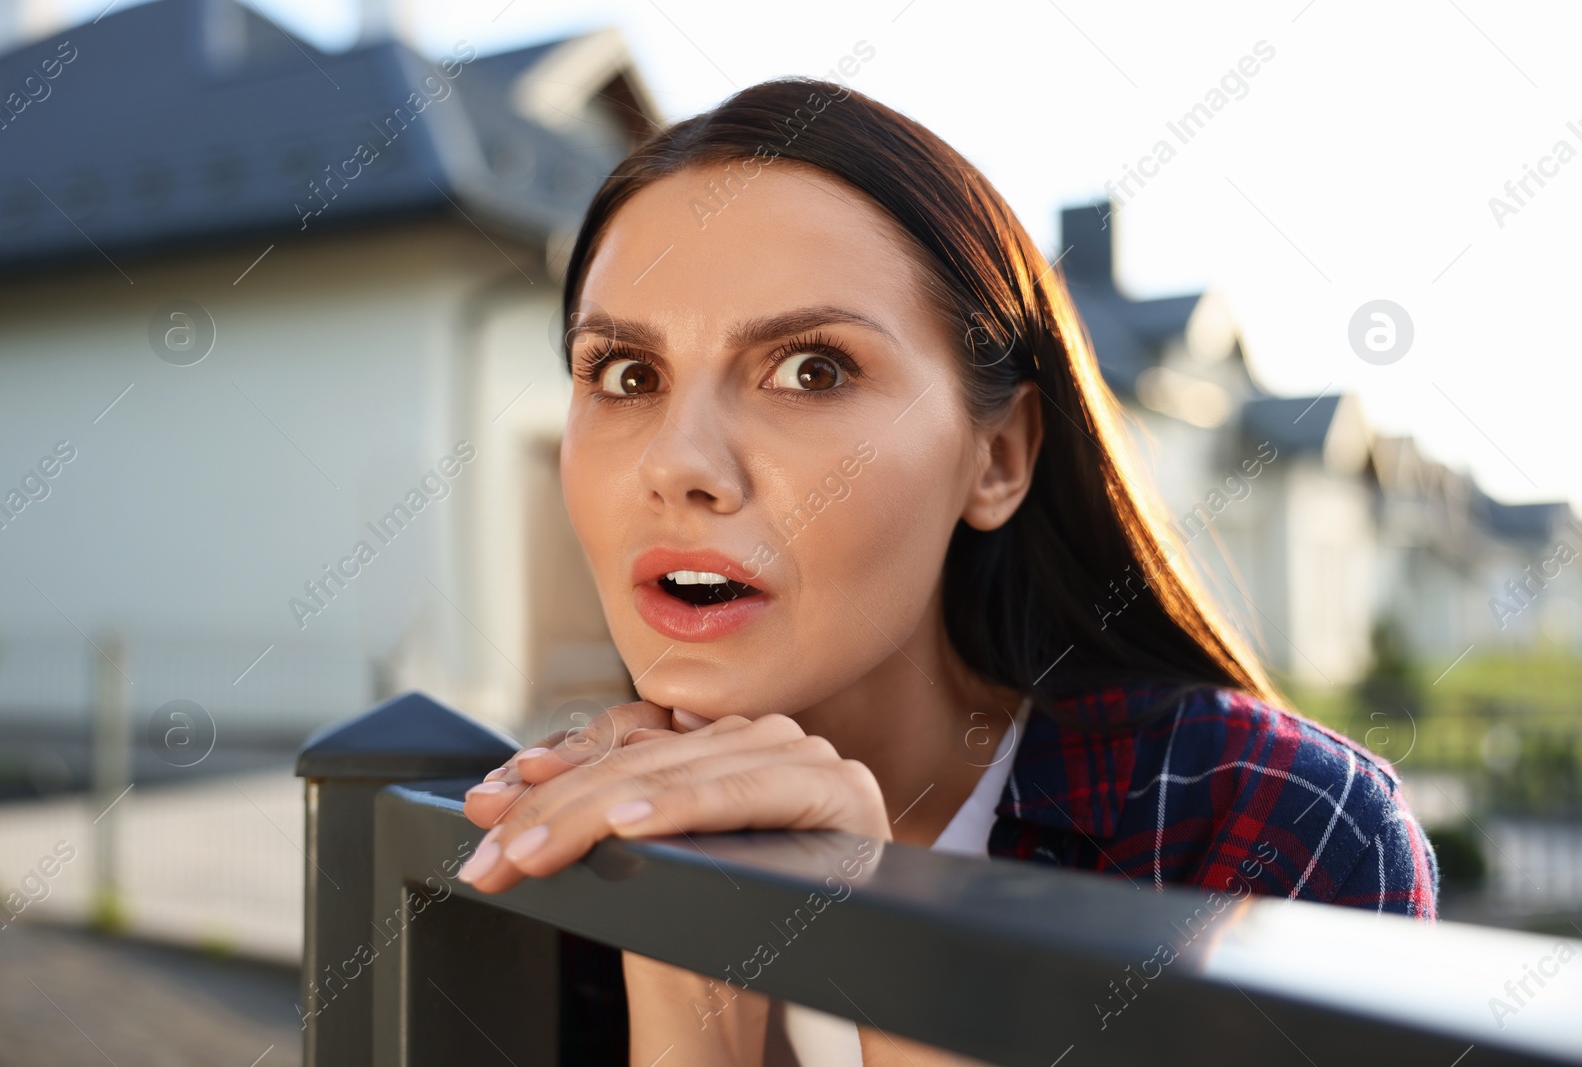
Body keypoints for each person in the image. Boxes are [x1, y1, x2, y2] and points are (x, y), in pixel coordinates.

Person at [456, 76, 1439, 1065]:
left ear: (997, 456)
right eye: (626, 374)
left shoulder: (1270, 831)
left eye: (811, 370)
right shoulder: (587, 838)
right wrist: (687, 1014)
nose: (677, 465)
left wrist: (885, 938)